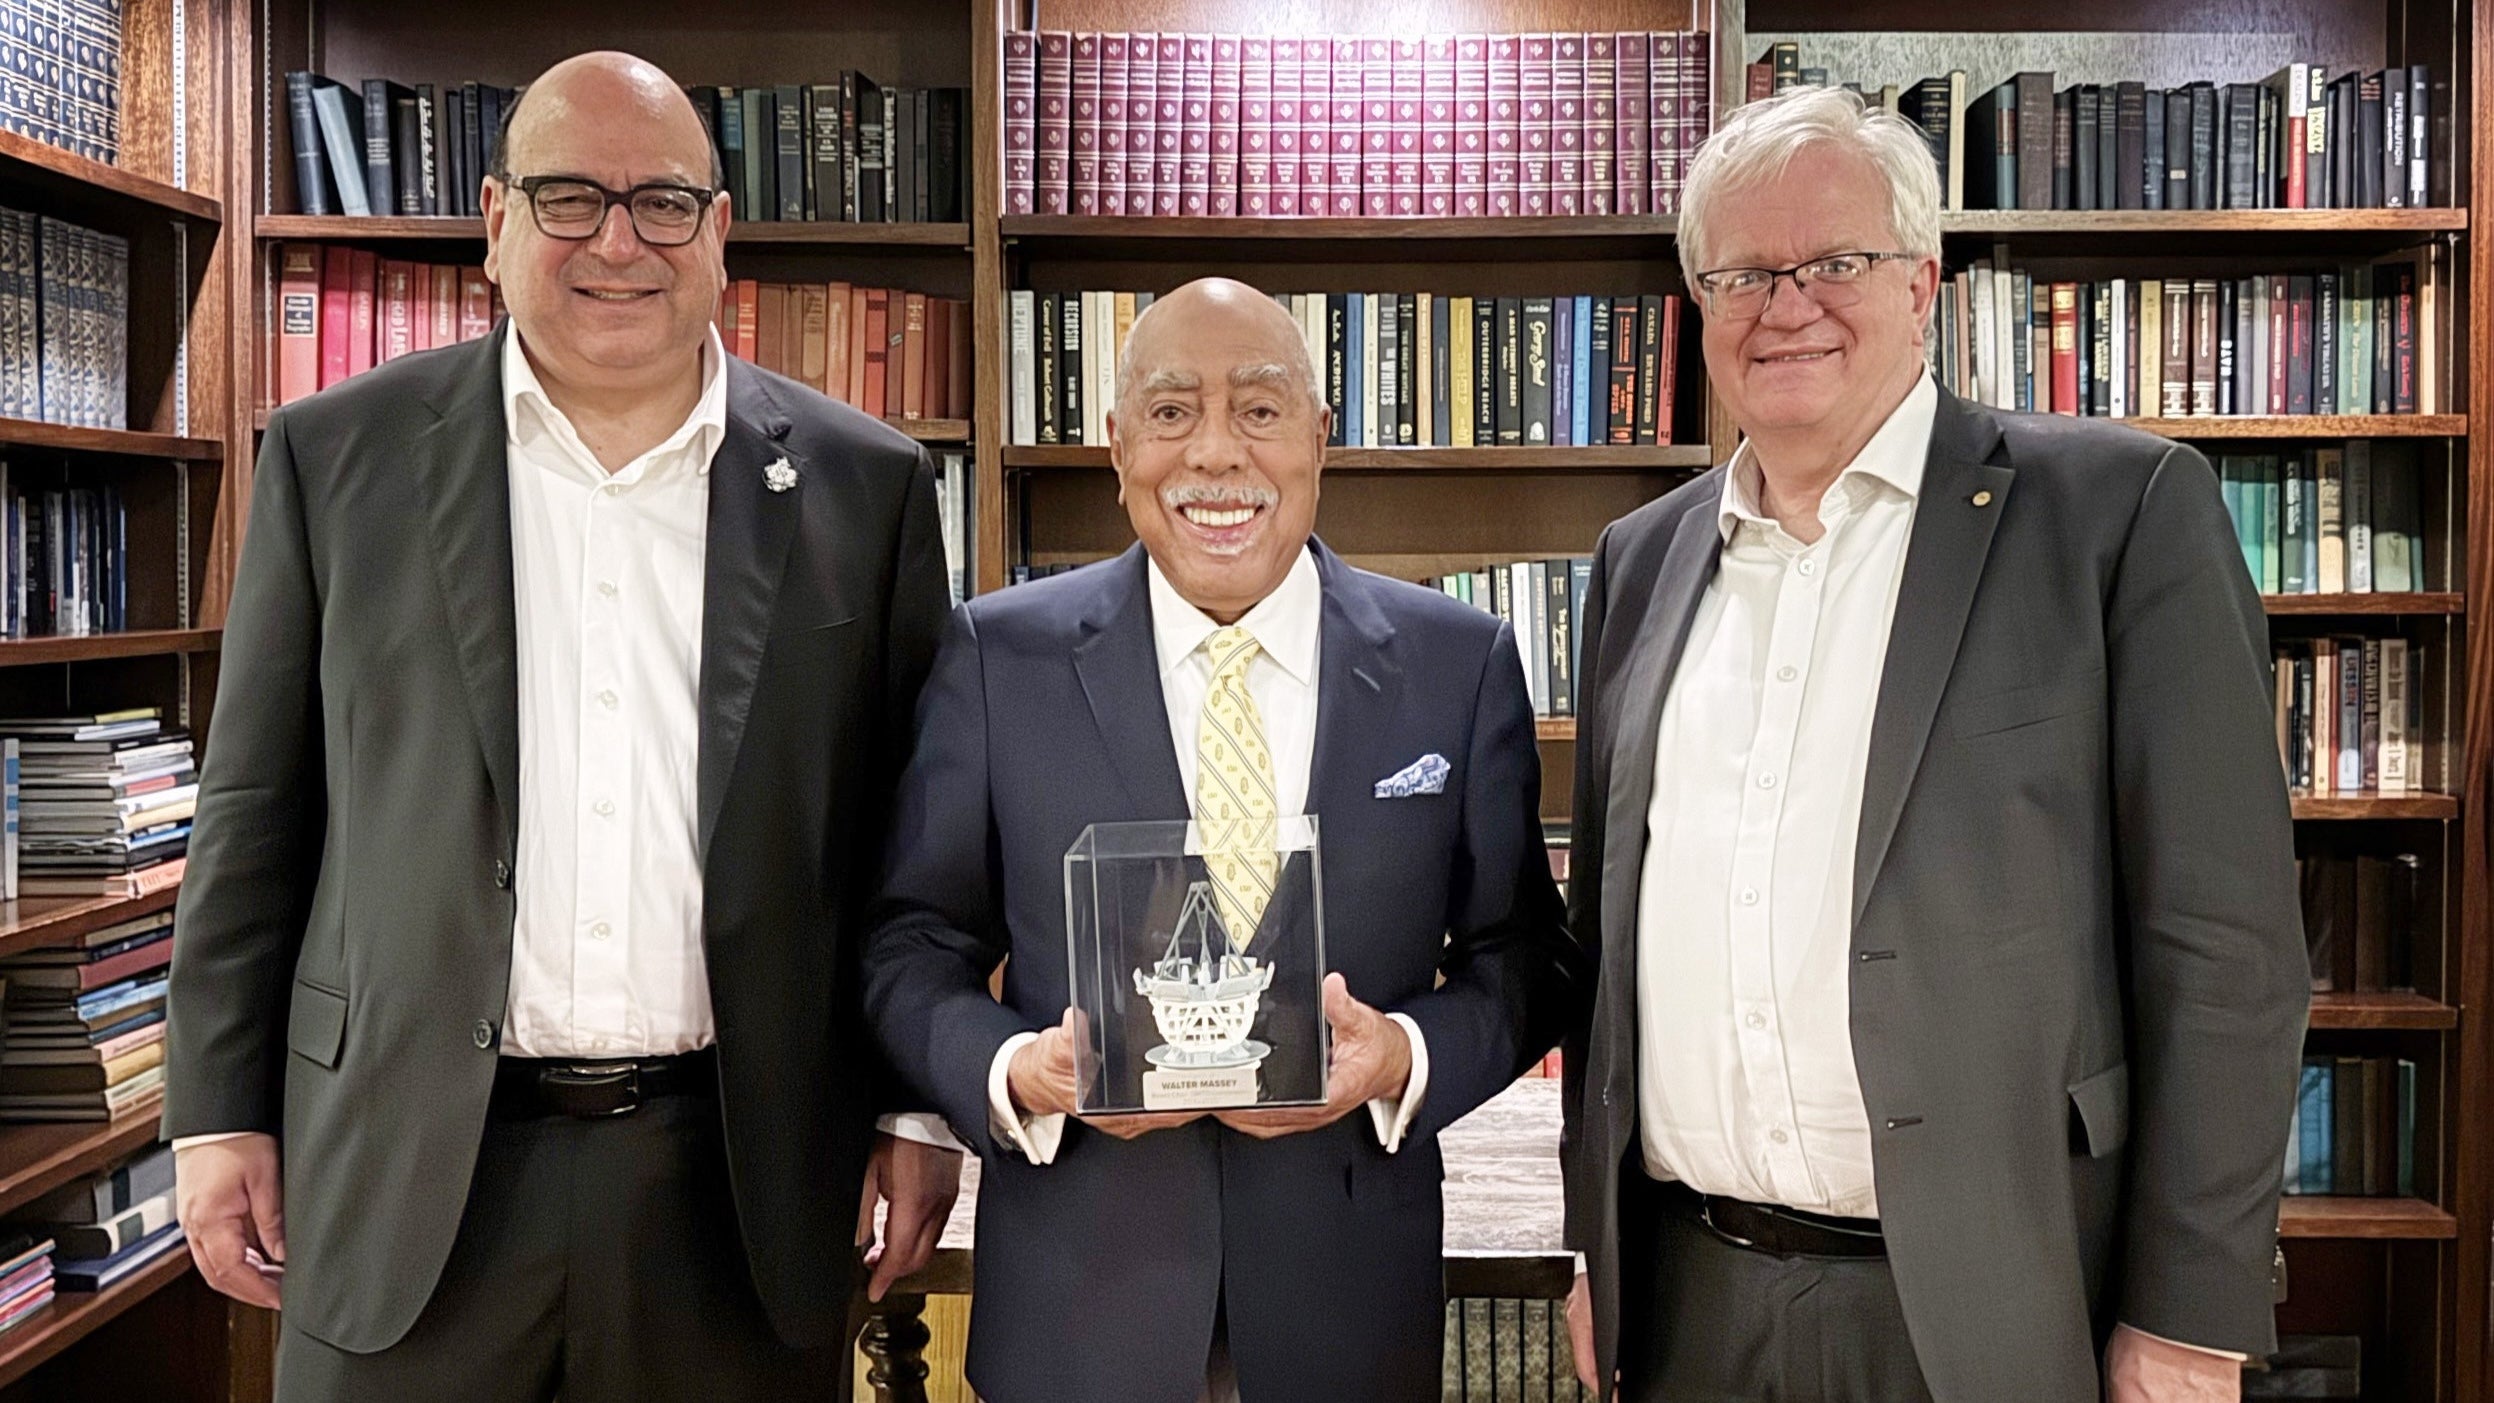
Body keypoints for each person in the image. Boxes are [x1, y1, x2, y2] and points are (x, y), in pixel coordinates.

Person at [164, 50, 961, 1400]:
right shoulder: (331, 457)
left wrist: (912, 1102)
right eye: (567, 198)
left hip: (735, 1178)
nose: (616, 242)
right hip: (403, 1161)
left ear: (719, 232)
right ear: (493, 223)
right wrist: (218, 1104)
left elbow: (913, 839)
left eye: (659, 201)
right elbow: (257, 806)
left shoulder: (865, 486)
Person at [1559, 85, 2307, 1403]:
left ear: (1922, 282)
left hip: (1998, 1298)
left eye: (1832, 262)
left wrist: (2190, 1312)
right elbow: (1607, 946)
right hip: (1688, 1294)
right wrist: (1597, 1250)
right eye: (1741, 272)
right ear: (1697, 306)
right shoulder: (1638, 561)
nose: (1785, 304)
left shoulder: (2117, 515)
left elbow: (2224, 946)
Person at [862, 276, 1587, 1402]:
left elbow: (1525, 962)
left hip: (1348, 1306)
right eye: (1168, 410)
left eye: (1258, 408)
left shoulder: (1458, 663)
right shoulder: (998, 660)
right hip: (1076, 1307)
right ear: (1115, 444)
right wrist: (1016, 1071)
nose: (1213, 453)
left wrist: (1400, 1056)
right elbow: (911, 946)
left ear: (1319, 437)